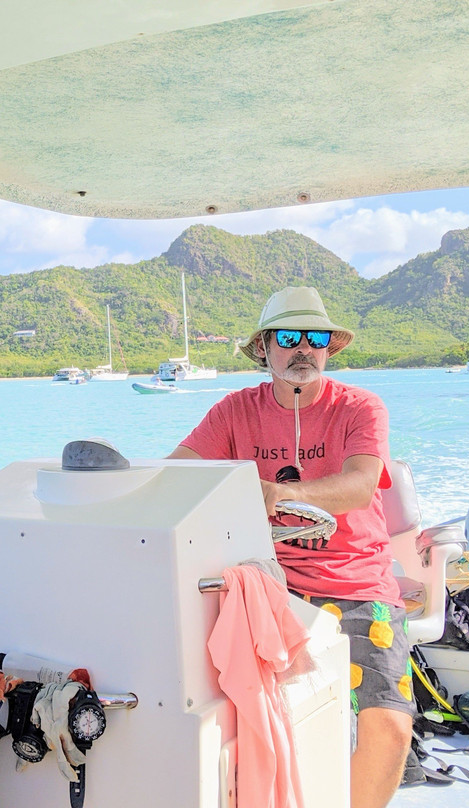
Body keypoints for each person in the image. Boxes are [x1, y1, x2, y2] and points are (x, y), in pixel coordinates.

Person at [169, 287, 413, 808]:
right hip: (268, 582)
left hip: (358, 582)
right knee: (228, 715)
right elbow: (178, 473)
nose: (303, 348)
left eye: (316, 337)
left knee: (391, 727)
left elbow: (360, 484)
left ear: (329, 348)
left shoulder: (359, 408)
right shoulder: (234, 412)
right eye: (288, 337)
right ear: (264, 348)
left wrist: (284, 494)